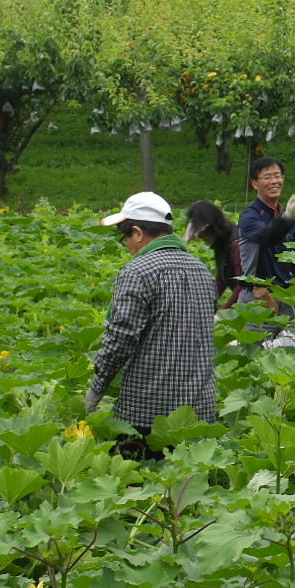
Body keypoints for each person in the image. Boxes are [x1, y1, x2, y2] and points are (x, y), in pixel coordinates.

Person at [86, 192, 218, 459]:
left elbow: (121, 338)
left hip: (147, 413)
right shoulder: (202, 270)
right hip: (199, 409)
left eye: (125, 237)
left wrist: (97, 389)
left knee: (138, 481)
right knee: (188, 482)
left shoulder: (138, 271)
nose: (126, 245)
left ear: (137, 233)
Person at [234, 157, 295, 315]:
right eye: (267, 177)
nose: (274, 181)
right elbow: (267, 237)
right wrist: (287, 219)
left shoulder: (289, 217)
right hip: (259, 298)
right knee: (257, 332)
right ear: (254, 184)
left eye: (277, 176)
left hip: (288, 299)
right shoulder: (250, 216)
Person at [184, 200, 244, 310]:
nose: (201, 237)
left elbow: (243, 285)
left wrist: (223, 312)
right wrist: (203, 305)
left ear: (212, 227)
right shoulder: (220, 244)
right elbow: (221, 279)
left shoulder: (236, 243)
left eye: (202, 233)